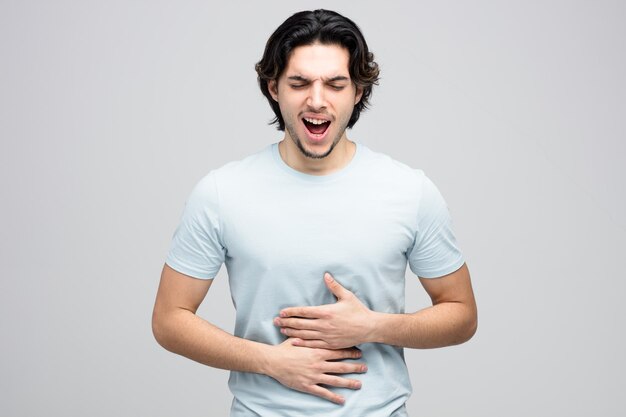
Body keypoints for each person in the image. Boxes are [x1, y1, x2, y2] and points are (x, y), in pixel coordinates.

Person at [152, 9, 477, 417]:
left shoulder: (410, 191)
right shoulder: (221, 192)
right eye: (300, 83)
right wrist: (269, 361)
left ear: (358, 92)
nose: (317, 99)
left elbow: (462, 315)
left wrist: (372, 325)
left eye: (335, 84)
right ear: (273, 87)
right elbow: (169, 319)